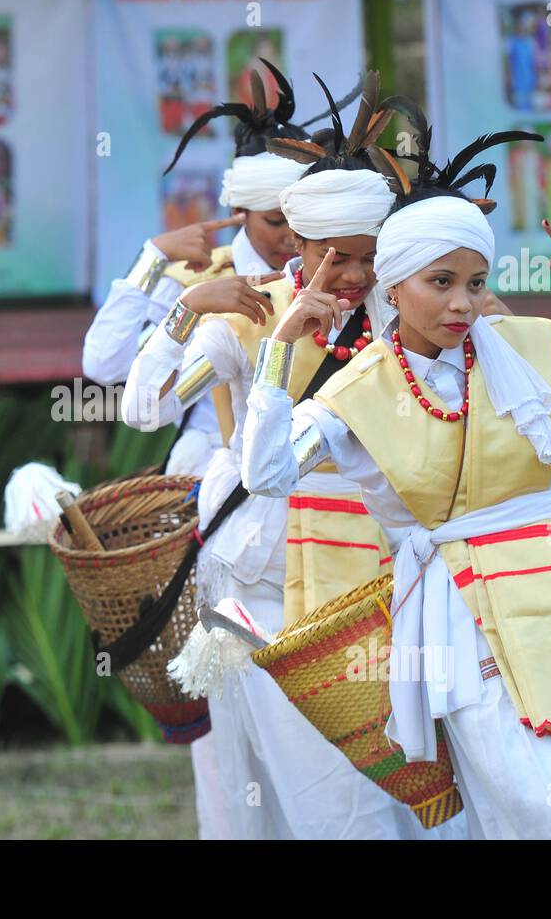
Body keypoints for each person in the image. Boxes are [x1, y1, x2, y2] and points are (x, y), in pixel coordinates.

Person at [239, 130, 551, 839]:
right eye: (441, 281)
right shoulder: (358, 389)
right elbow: (266, 472)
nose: (464, 302)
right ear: (394, 283)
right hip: (455, 610)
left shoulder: (526, 348)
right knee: (522, 793)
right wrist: (279, 350)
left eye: (474, 281)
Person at [124, 74, 464, 839]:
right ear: (296, 245)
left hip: (384, 583)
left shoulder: (406, 326)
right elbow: (144, 408)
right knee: (295, 795)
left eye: (366, 257)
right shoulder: (251, 314)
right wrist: (186, 308)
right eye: (332, 256)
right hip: (262, 588)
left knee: (410, 785)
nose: (349, 275)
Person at [85, 59, 306, 479]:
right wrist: (151, 259)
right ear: (239, 211)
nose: (292, 240)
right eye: (276, 222)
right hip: (215, 478)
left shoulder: (336, 279)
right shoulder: (197, 280)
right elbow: (103, 366)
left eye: (304, 225)